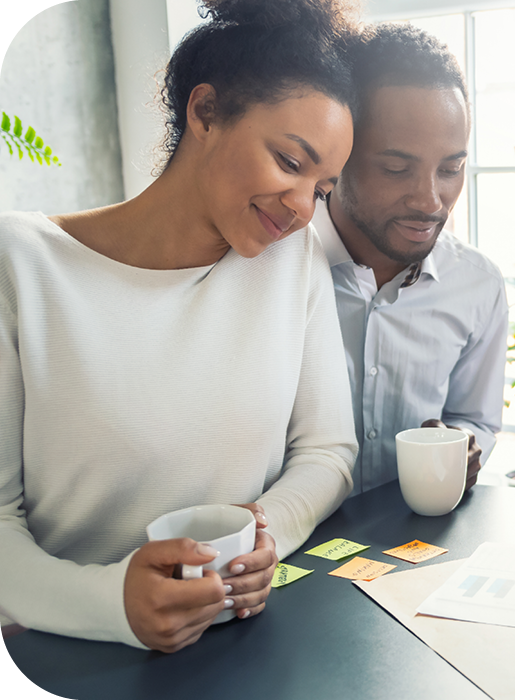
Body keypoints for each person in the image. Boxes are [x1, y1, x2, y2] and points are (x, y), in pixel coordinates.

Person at [0, 0, 359, 652]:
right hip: (61, 653)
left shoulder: (290, 261)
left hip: (241, 648)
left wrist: (264, 530)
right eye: (288, 160)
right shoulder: (19, 265)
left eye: (324, 188)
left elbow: (328, 453)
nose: (304, 208)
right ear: (204, 113)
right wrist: (114, 603)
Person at [312, 23, 508, 495]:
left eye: (451, 169)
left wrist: (462, 446)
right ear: (339, 152)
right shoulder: (273, 268)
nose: (430, 201)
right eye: (397, 169)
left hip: (413, 545)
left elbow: (474, 418)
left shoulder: (478, 285)